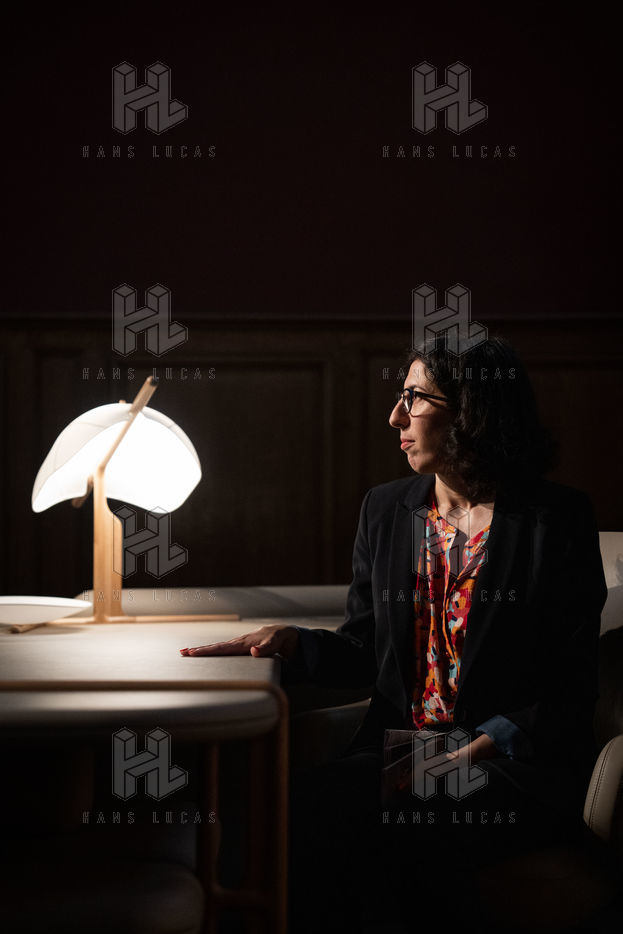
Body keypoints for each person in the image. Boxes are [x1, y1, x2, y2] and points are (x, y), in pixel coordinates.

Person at [180, 337, 608, 933]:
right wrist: (293, 641)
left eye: (414, 399)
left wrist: (481, 745)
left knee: (377, 818)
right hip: (405, 751)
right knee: (293, 804)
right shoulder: (385, 509)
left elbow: (572, 680)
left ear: (472, 409)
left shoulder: (554, 520)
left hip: (512, 766)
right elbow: (364, 651)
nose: (394, 418)